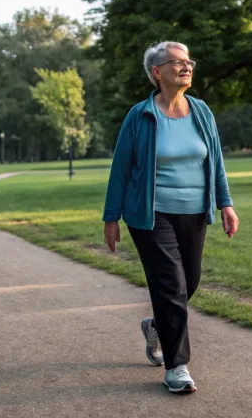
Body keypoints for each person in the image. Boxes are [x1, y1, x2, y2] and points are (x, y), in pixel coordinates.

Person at [102, 41, 239, 394]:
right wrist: (111, 217)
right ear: (156, 72)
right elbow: (121, 169)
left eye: (188, 60)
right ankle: (176, 367)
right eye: (176, 62)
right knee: (172, 285)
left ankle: (157, 326)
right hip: (150, 214)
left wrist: (226, 203)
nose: (186, 66)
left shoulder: (201, 112)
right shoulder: (140, 115)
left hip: (194, 211)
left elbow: (216, 162)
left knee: (188, 282)